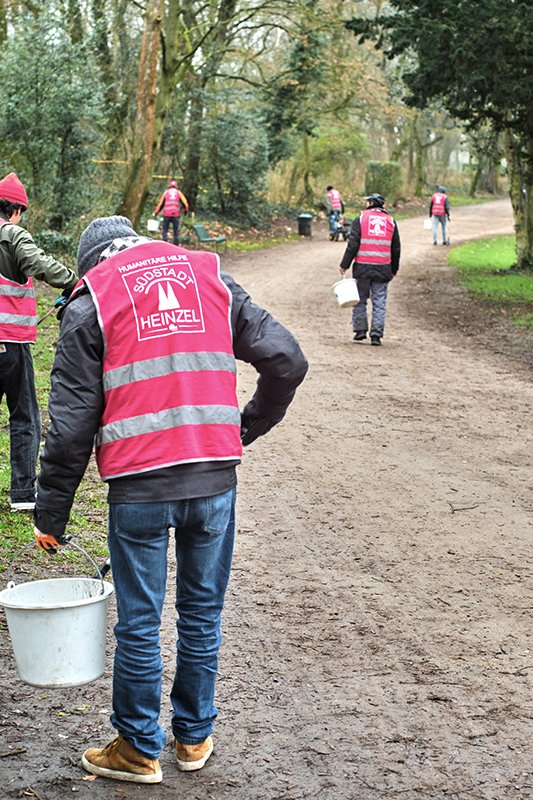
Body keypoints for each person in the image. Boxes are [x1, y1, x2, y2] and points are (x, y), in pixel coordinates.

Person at [33, 215, 308, 784]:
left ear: (93, 263)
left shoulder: (94, 300)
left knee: (139, 621)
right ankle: (194, 738)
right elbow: (287, 359)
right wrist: (244, 426)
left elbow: (68, 425)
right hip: (213, 479)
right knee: (202, 614)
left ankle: (136, 749)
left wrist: (51, 512)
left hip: (139, 488)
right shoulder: (211, 278)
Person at [0, 172, 77, 511]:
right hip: (10, 343)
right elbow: (39, 264)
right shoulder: (12, 234)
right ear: (15, 209)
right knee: (24, 416)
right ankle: (22, 494)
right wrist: (74, 282)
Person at [339, 193, 400, 347]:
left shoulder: (360, 218)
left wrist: (345, 264)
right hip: (383, 267)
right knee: (379, 301)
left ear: (372, 203)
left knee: (360, 299)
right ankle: (376, 335)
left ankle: (360, 330)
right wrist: (394, 269)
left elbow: (353, 245)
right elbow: (396, 248)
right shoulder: (391, 221)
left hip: (362, 267)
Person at [154, 179, 189, 245]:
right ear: (176, 186)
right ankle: (176, 245)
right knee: (175, 231)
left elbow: (160, 204)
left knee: (165, 230)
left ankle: (165, 243)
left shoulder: (166, 192)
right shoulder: (179, 193)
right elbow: (185, 203)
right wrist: (186, 211)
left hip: (166, 214)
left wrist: (155, 213)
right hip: (175, 214)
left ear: (169, 186)